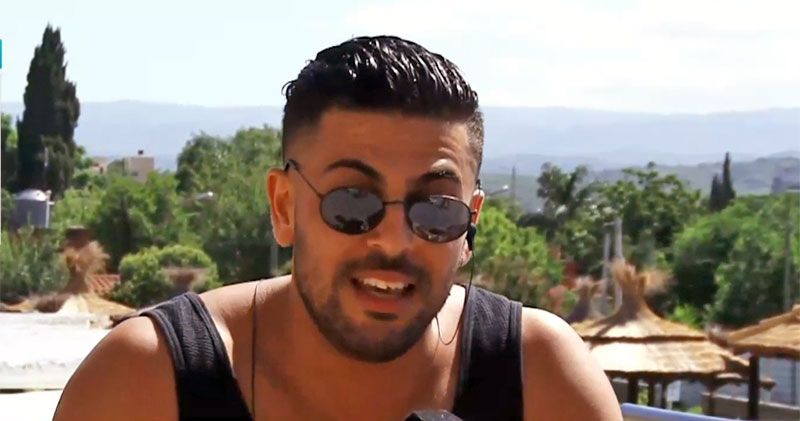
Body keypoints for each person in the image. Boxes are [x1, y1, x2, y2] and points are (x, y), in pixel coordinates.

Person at [54, 36, 622, 421]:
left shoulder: (543, 382)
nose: (394, 241)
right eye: (353, 202)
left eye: (436, 209)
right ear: (284, 207)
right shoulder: (146, 384)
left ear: (470, 224)